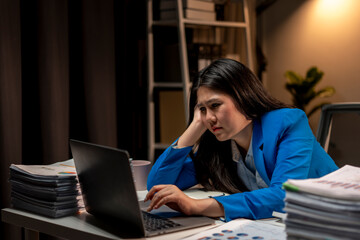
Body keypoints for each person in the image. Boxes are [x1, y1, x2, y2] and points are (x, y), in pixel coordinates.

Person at [145, 58, 338, 221]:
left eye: (215, 105)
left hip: (333, 221)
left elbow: (284, 195)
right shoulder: (219, 145)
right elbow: (158, 186)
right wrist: (195, 126)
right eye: (202, 109)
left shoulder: (287, 122)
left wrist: (196, 206)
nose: (209, 117)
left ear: (243, 96)